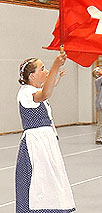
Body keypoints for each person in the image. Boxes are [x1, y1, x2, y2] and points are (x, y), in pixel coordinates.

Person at [16, 53, 76, 212]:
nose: (46, 71)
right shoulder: (26, 92)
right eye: (42, 69)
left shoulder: (33, 89)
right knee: (38, 181)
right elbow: (46, 93)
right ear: (32, 75)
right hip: (36, 144)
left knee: (51, 180)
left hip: (46, 142)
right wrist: (56, 66)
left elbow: (49, 87)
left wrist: (56, 74)